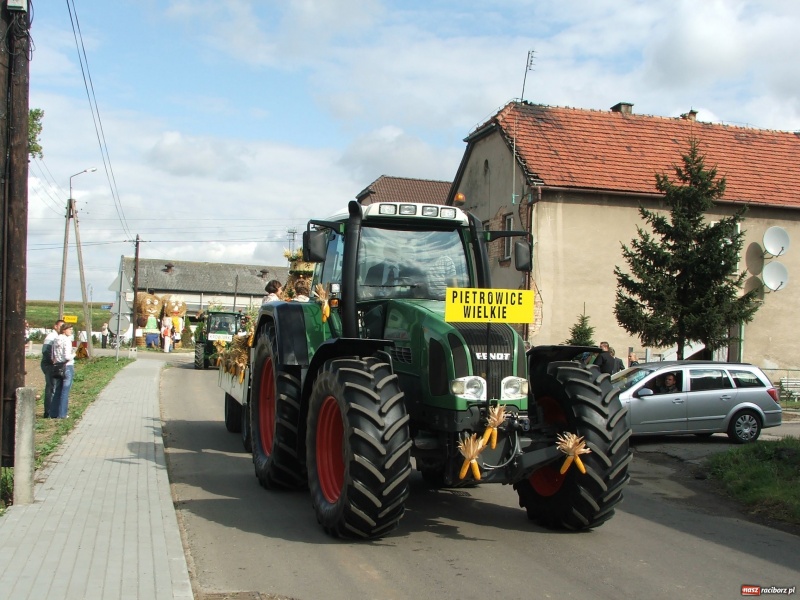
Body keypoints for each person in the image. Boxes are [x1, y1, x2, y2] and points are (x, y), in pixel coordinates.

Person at [49, 323, 76, 419]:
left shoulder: (56, 339)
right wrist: (74, 354)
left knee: (58, 390)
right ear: (64, 330)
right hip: (67, 366)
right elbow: (67, 356)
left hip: (57, 366)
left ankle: (53, 413)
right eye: (69, 329)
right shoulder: (67, 340)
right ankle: (62, 414)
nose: (71, 331)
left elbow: (52, 356)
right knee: (65, 391)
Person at [40, 319, 64, 419]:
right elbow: (45, 350)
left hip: (53, 364)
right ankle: (48, 412)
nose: (62, 329)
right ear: (55, 326)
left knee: (54, 387)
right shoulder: (51, 336)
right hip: (49, 365)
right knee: (51, 388)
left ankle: (52, 411)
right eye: (61, 326)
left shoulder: (58, 337)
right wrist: (53, 361)